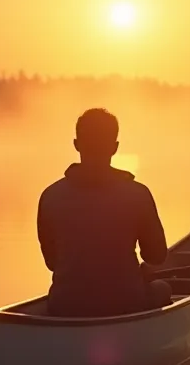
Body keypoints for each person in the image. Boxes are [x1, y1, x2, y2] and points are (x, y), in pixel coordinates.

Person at [37, 108, 171, 317]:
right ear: (115, 148)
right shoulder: (138, 194)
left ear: (76, 144)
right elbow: (157, 256)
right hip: (127, 303)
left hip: (65, 306)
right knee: (163, 288)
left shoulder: (50, 196)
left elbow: (52, 263)